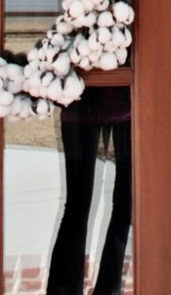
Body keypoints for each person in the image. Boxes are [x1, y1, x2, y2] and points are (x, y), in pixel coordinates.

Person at [46, 86, 132, 295]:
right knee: (78, 203)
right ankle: (66, 288)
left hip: (127, 103)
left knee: (126, 201)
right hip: (82, 105)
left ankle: (108, 287)